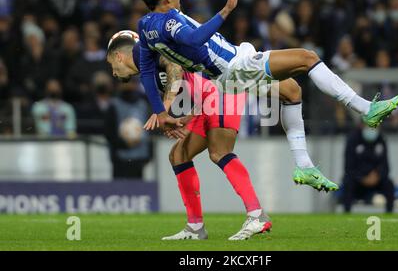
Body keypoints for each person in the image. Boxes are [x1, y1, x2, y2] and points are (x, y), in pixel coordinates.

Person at [136, 0, 398, 191]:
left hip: (226, 74)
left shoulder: (145, 26)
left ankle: (305, 166)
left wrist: (160, 112)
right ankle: (365, 109)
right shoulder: (169, 21)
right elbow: (194, 39)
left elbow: (147, 70)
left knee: (291, 91)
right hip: (235, 66)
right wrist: (226, 10)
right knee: (308, 58)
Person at [106, 30, 327, 240]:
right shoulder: (148, 73)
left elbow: (174, 66)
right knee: (179, 155)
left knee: (219, 151)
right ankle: (195, 227)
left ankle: (256, 214)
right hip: (209, 98)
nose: (114, 73)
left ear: (118, 55)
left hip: (223, 88)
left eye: (111, 65)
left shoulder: (149, 53)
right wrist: (186, 117)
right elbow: (191, 82)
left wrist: (166, 105)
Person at [104, 78, 152, 179]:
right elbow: (109, 133)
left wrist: (149, 153)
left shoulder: (143, 105)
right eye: (125, 82)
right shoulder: (113, 105)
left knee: (139, 191)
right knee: (120, 191)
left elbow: (150, 130)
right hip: (120, 159)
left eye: (131, 83)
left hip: (139, 158)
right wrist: (124, 144)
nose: (128, 86)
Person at [342, 125, 395, 213]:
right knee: (348, 183)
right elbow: (349, 166)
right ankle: (347, 212)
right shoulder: (353, 139)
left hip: (376, 179)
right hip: (358, 180)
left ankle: (389, 212)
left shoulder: (381, 139)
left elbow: (385, 165)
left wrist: (377, 175)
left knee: (389, 184)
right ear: (362, 125)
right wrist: (362, 177)